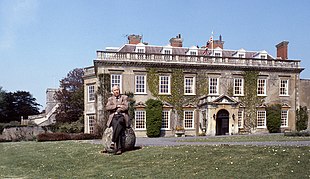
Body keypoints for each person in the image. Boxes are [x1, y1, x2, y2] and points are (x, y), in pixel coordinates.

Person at [105, 85, 129, 155]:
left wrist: (118, 109)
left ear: (119, 90)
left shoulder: (124, 97)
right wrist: (117, 106)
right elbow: (107, 107)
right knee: (117, 125)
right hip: (114, 117)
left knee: (119, 123)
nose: (116, 91)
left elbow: (126, 107)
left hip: (122, 116)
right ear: (113, 92)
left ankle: (113, 141)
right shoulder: (110, 99)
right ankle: (119, 149)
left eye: (117, 90)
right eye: (115, 90)